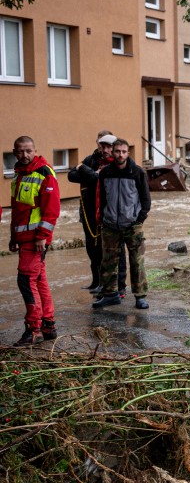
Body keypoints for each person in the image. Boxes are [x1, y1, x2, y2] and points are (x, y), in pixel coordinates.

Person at [9, 136, 60, 345]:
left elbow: (52, 209)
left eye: (28, 150)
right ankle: (48, 325)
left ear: (35, 150)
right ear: (14, 152)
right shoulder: (18, 176)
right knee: (38, 280)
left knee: (26, 281)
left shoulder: (45, 173)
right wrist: (13, 237)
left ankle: (34, 329)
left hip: (36, 239)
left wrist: (42, 237)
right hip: (25, 238)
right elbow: (18, 212)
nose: (25, 155)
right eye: (20, 151)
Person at [93, 139, 151, 310]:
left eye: (124, 151)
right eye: (117, 151)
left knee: (136, 261)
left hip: (132, 224)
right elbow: (102, 197)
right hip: (110, 224)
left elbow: (146, 199)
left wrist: (139, 218)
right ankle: (110, 294)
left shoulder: (137, 172)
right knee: (108, 261)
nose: (120, 155)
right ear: (112, 152)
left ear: (128, 153)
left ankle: (140, 296)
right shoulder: (105, 173)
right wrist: (103, 217)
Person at [67, 131, 127, 295]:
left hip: (111, 214)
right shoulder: (91, 160)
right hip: (89, 211)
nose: (105, 149)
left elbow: (99, 178)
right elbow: (72, 175)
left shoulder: (119, 162)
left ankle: (118, 286)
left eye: (108, 146)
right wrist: (87, 171)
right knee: (92, 247)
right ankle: (97, 281)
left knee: (115, 250)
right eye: (102, 145)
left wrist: (86, 172)